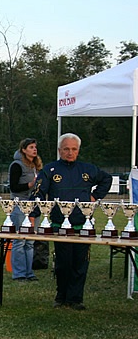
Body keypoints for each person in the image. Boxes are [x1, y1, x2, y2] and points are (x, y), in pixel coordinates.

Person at [32, 133, 111, 310]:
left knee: (80, 263)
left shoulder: (88, 169)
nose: (70, 152)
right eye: (66, 149)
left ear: (78, 151)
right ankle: (61, 297)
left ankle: (76, 299)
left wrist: (94, 196)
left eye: (74, 149)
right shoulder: (50, 170)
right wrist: (34, 214)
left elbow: (107, 179)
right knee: (63, 263)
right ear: (59, 150)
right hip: (60, 225)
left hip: (83, 225)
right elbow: (38, 193)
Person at [8, 138, 42, 282]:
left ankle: (29, 272)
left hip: (34, 204)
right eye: (31, 147)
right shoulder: (16, 165)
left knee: (30, 240)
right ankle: (19, 273)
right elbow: (13, 187)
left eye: (35, 147)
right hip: (20, 204)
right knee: (20, 240)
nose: (34, 150)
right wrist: (30, 184)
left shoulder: (36, 165)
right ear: (23, 149)